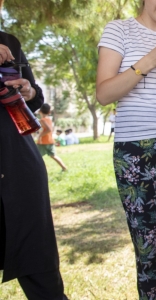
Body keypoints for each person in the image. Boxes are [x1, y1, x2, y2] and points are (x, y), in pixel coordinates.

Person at [95, 0, 156, 298]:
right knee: (147, 246)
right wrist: (146, 63)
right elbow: (104, 93)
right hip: (136, 150)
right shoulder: (119, 30)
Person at [0, 29, 67, 299]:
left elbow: (35, 96)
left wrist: (29, 92)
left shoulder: (8, 42)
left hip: (19, 166)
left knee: (41, 269)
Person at [37, 103, 68, 171]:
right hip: (50, 141)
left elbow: (49, 129)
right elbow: (50, 129)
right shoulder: (49, 120)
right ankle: (64, 167)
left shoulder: (42, 120)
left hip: (43, 142)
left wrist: (40, 135)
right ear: (49, 112)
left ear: (40, 111)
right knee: (53, 155)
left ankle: (40, 170)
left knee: (37, 156)